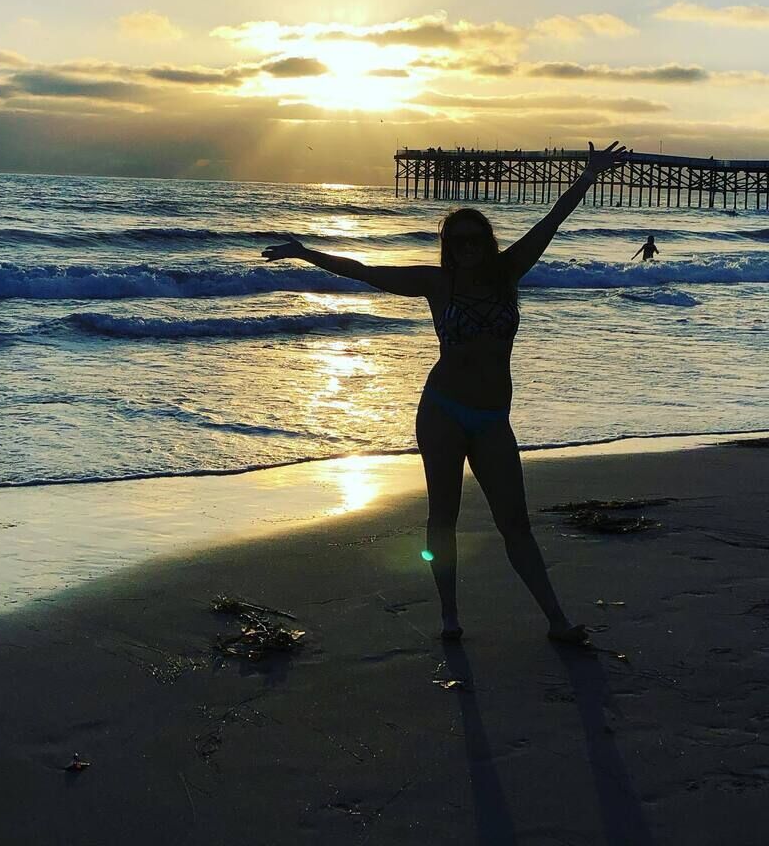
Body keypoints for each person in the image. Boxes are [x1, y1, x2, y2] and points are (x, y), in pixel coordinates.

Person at [262, 140, 628, 645]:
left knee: (515, 524)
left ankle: (556, 621)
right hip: (443, 412)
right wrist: (306, 253)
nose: (467, 248)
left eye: (475, 239)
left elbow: (552, 221)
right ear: (448, 247)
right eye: (458, 242)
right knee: (443, 517)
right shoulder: (437, 284)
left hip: (493, 418)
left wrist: (587, 176)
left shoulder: (509, 272)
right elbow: (366, 272)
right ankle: (449, 616)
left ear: (488, 242)